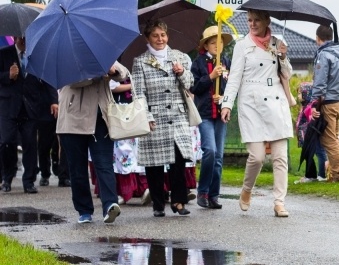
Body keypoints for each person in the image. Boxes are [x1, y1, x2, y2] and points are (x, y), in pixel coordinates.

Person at [220, 9, 293, 217]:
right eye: (249, 20)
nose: (252, 24)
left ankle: (279, 202)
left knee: (280, 157)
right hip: (251, 104)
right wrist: (227, 104)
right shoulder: (242, 46)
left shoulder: (278, 42)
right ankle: (246, 190)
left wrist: (283, 56)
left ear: (267, 21)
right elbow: (234, 78)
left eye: (256, 20)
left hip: (276, 100)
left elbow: (286, 74)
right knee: (257, 157)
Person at [132, 20, 194, 218]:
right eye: (155, 36)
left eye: (163, 35)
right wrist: (146, 116)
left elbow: (190, 83)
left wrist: (181, 72)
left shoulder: (180, 57)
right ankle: (158, 203)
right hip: (155, 116)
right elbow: (138, 92)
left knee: (178, 160)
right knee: (154, 163)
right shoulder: (140, 61)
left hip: (177, 116)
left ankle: (179, 201)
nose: (160, 39)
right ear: (148, 38)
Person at [57, 62, 128, 224]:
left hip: (101, 119)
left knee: (104, 164)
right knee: (77, 167)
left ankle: (110, 204)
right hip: (73, 119)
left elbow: (124, 73)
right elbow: (73, 81)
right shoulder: (68, 56)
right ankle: (84, 211)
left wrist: (113, 70)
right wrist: (98, 74)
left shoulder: (101, 52)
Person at [0, 36, 58, 194]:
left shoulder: (37, 55)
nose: (24, 41)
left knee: (30, 144)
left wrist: (54, 100)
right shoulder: (4, 53)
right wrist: (8, 76)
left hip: (30, 106)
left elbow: (47, 78)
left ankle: (29, 180)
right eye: (22, 38)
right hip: (8, 106)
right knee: (7, 142)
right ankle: (7, 177)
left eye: (27, 37)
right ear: (16, 38)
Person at [190, 27, 232, 209]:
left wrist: (223, 98)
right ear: (206, 44)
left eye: (220, 42)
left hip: (221, 114)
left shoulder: (226, 62)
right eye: (213, 42)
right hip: (205, 114)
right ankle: (203, 191)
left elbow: (231, 87)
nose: (217, 45)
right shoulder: (198, 63)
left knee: (219, 157)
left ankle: (214, 195)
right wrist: (211, 76)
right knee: (210, 151)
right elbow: (194, 87)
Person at [309, 25, 339, 183]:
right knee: (335, 138)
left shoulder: (324, 55)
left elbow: (320, 82)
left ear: (318, 38)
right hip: (338, 101)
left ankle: (338, 175)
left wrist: (314, 103)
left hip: (327, 102)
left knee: (328, 140)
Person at [294, 81, 327, 183]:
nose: (298, 96)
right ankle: (313, 175)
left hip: (310, 136)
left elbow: (311, 119)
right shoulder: (305, 106)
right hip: (307, 136)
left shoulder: (309, 107)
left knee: (316, 152)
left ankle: (318, 175)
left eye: (300, 93)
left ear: (307, 93)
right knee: (312, 153)